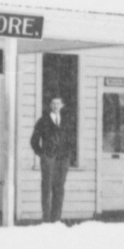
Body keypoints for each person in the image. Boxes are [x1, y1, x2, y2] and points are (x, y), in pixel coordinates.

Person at [30, 93, 72, 224]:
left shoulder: (66, 120)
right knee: (47, 188)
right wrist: (42, 154)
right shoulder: (43, 121)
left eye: (58, 103)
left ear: (62, 105)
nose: (55, 106)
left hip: (62, 159)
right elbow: (34, 141)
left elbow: (71, 139)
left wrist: (68, 155)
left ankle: (56, 220)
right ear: (49, 105)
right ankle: (46, 220)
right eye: (53, 103)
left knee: (59, 188)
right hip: (49, 159)